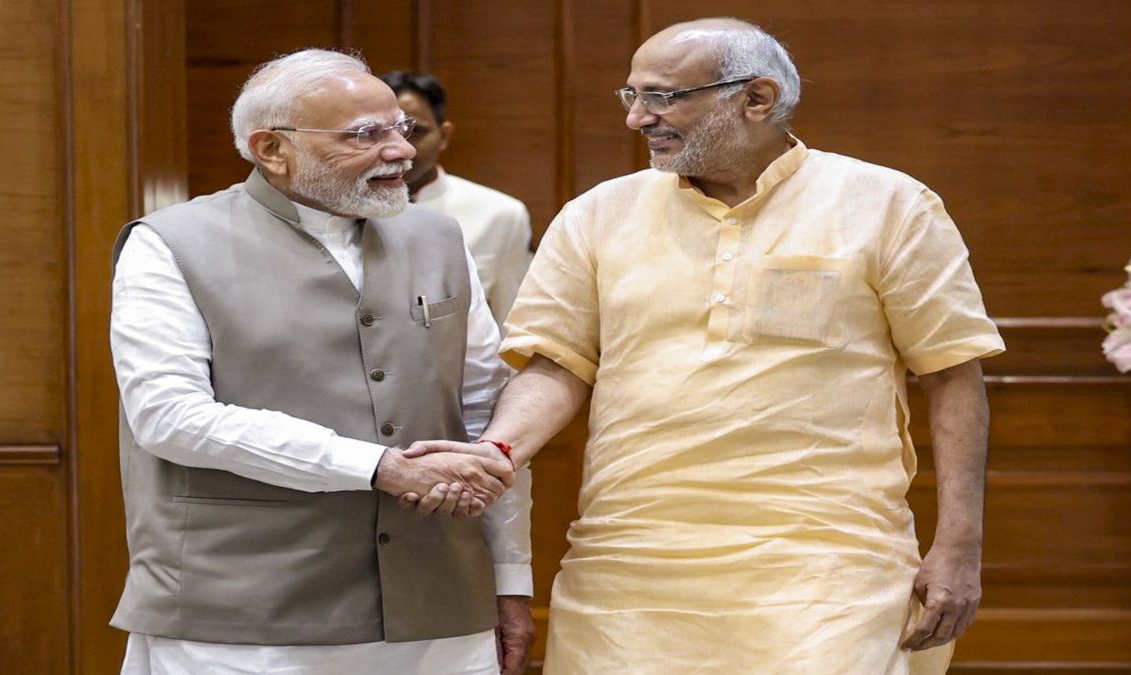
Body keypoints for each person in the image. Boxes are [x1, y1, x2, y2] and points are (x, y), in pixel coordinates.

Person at [405, 17, 1005, 674]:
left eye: (662, 97)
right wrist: (496, 449)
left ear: (757, 99)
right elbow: (555, 366)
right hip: (628, 568)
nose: (637, 119)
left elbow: (952, 375)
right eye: (629, 96)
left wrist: (960, 541)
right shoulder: (598, 213)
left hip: (826, 568)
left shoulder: (890, 205)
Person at [109, 49, 534, 675]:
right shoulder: (169, 244)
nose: (401, 152)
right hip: (244, 618)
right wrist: (376, 467)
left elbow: (484, 414)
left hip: (440, 607)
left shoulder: (441, 239)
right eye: (366, 135)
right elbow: (169, 417)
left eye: (403, 129)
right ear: (271, 149)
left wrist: (509, 578)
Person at [381, 70, 533, 329]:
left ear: (445, 135)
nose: (399, 146)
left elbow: (512, 321)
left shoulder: (500, 214)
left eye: (414, 131)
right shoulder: (339, 208)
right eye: (382, 131)